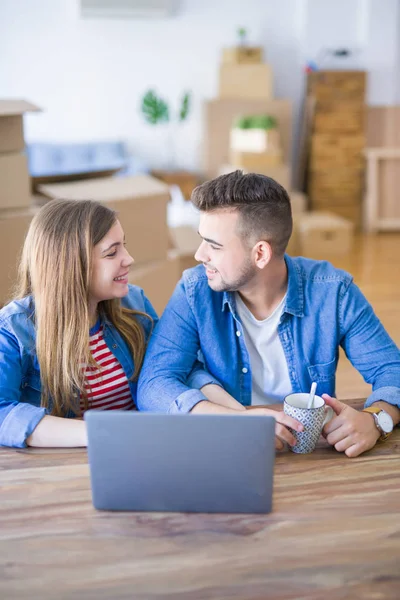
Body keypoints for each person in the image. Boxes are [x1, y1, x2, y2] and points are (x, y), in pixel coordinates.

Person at [138, 170, 400, 457]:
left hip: (311, 455)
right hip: (227, 451)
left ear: (260, 253)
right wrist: (239, 421)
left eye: (214, 245)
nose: (200, 255)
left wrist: (376, 420)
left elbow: (391, 370)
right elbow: (153, 383)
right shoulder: (194, 290)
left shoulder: (334, 292)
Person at [0, 199, 216, 449]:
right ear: (70, 264)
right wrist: (104, 433)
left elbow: (176, 368)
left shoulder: (135, 304)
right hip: (63, 469)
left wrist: (236, 414)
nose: (129, 259)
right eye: (112, 253)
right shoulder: (14, 329)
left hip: (144, 453)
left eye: (124, 246)